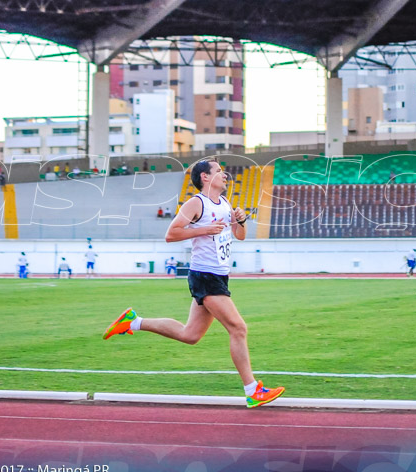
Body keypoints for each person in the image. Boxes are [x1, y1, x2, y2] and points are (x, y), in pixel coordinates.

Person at [102, 159, 285, 408]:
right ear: (205, 178)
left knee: (190, 335)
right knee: (238, 329)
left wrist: (240, 220)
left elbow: (239, 237)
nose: (224, 174)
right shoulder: (196, 203)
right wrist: (204, 229)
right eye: (218, 171)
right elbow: (171, 234)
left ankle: (133, 322)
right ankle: (253, 390)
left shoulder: (224, 203)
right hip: (205, 276)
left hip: (219, 276)